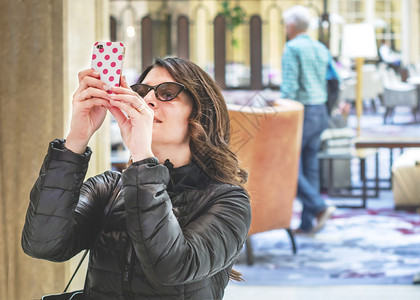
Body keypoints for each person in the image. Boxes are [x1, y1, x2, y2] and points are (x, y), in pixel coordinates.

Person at [21, 57, 251, 299]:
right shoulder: (110, 188)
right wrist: (76, 140)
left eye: (167, 92)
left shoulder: (229, 201)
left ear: (201, 112)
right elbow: (42, 244)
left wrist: (142, 157)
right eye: (142, 91)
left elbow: (170, 268)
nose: (148, 99)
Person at [281, 5, 337, 234]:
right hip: (321, 112)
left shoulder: (292, 48)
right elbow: (334, 81)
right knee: (310, 167)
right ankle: (307, 223)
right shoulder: (320, 48)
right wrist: (328, 109)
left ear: (291, 27)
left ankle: (319, 207)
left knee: (286, 165)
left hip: (301, 114)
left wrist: (280, 111)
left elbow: (290, 88)